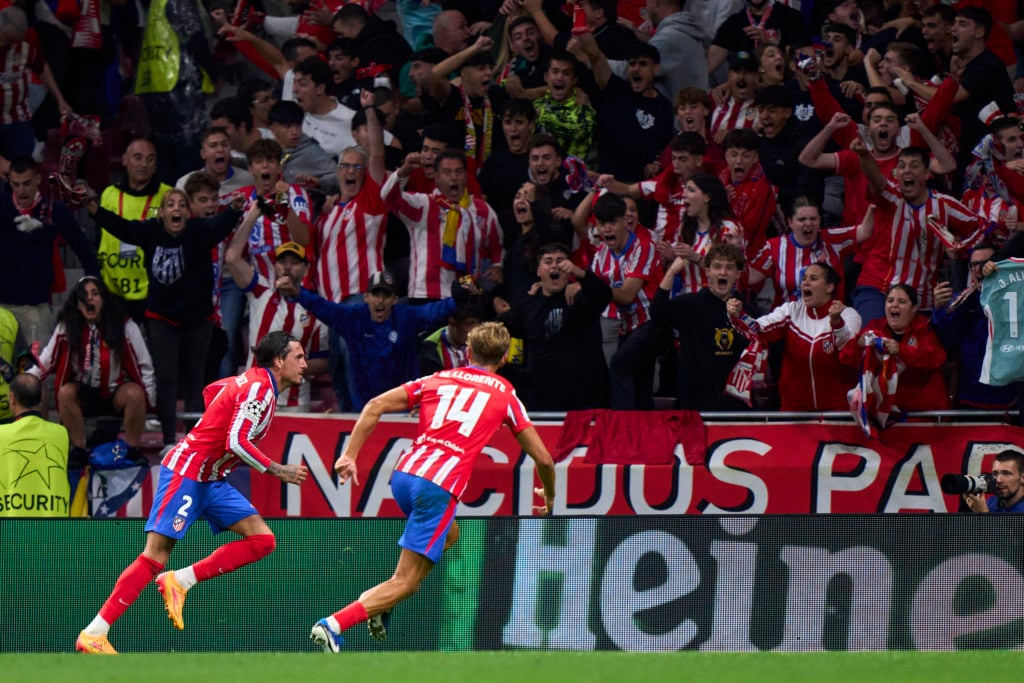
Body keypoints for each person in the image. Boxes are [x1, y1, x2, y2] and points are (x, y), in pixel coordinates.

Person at [309, 321, 555, 652]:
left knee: (451, 534)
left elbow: (374, 406)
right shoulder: (505, 394)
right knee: (407, 583)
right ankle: (334, 625)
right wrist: (549, 495)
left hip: (404, 476)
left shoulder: (438, 378)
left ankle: (382, 603)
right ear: (506, 357)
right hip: (438, 486)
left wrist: (350, 455)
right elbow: (545, 460)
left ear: (468, 352)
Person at [75, 331, 310, 655]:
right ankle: (94, 632)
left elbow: (213, 391)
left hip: (211, 478)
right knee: (155, 555)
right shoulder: (259, 389)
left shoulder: (256, 384)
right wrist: (277, 469)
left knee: (263, 541)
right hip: (187, 472)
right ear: (279, 361)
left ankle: (181, 581)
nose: (305, 364)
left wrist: (215, 419)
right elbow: (237, 443)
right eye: (298, 357)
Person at [86, 189, 247, 452]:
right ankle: (170, 440)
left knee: (195, 380)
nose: (176, 209)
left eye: (182, 205)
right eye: (170, 205)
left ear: (187, 212)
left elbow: (220, 225)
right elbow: (122, 228)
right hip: (161, 318)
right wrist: (94, 210)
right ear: (162, 213)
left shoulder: (198, 230)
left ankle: (193, 443)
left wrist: (235, 209)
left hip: (198, 318)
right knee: (167, 377)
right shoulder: (151, 231)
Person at [30, 277, 156, 469]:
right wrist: (27, 380)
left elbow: (144, 366)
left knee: (134, 393)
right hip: (84, 393)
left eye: (95, 294)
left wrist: (150, 402)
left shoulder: (126, 326)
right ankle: (79, 450)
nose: (90, 300)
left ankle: (132, 449)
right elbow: (47, 361)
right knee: (65, 392)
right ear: (77, 303)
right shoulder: (66, 327)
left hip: (115, 393)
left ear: (104, 299)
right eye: (84, 295)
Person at [727, 263, 862, 411]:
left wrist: (837, 323)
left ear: (829, 287)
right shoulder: (791, 311)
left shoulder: (849, 315)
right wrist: (740, 315)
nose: (805, 282)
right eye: (804, 278)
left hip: (838, 412)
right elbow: (759, 329)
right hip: (794, 412)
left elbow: (848, 353)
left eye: (813, 278)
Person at [499, 242, 612, 411]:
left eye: (560, 261)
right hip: (542, 399)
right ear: (538, 271)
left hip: (584, 400)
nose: (555, 266)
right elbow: (496, 329)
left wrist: (580, 274)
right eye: (548, 261)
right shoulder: (528, 304)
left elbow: (604, 295)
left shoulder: (580, 298)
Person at [0, 156, 100, 345]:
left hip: (36, 305)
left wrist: (92, 284)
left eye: (27, 183)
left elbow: (83, 248)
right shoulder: (2, 208)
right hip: (1, 304)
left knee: (38, 368)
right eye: (16, 184)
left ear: (38, 179)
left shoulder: (55, 211)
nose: (22, 190)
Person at [649, 243, 749, 411]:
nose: (723, 272)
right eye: (717, 267)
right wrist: (672, 272)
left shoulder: (747, 310)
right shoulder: (689, 304)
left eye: (729, 268)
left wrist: (743, 318)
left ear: (737, 274)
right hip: (694, 401)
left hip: (734, 404)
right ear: (708, 272)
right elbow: (657, 312)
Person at [840, 283, 950, 413]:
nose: (894, 305)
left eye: (902, 301)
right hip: (885, 413)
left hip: (922, 413)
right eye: (890, 300)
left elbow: (935, 358)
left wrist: (900, 350)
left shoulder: (924, 328)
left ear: (914, 308)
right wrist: (858, 345)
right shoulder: (875, 327)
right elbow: (846, 358)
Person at [97, 138, 173, 324]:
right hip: (113, 290)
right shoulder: (109, 194)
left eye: (150, 159)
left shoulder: (168, 195)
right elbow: (98, 238)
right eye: (137, 158)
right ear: (125, 160)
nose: (143, 164)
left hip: (154, 293)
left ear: (156, 164)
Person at [0, 374, 70, 518]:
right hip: (53, 530)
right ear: (42, 397)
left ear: (12, 398)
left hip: (10, 531)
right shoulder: (61, 434)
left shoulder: (2, 434)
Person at [964, 450, 1024, 514]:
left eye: (1006, 473)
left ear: (1022, 478)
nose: (998, 480)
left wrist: (983, 513)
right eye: (995, 474)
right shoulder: (992, 501)